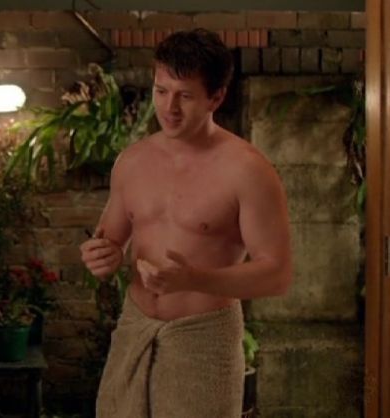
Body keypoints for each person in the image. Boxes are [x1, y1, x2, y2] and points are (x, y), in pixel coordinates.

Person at [80, 28, 292, 418]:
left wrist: (194, 279)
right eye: (161, 91)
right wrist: (101, 257)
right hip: (135, 328)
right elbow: (109, 244)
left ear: (216, 97)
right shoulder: (132, 161)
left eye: (186, 96)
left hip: (204, 338)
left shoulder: (248, 170)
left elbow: (277, 275)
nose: (170, 107)